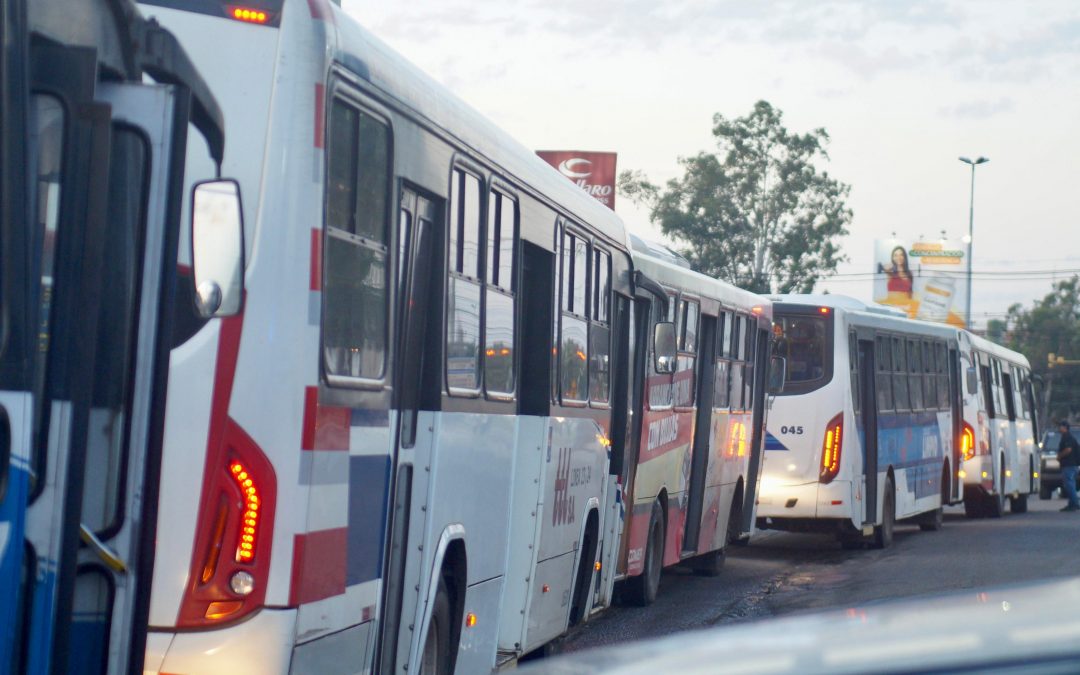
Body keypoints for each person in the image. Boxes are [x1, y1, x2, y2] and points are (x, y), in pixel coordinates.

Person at [1057, 421, 1080, 512]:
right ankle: (1072, 504)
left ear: (1065, 427)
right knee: (1070, 485)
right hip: (1071, 465)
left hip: (1069, 465)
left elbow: (1068, 449)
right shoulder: (1067, 436)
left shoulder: (1067, 437)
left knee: (1069, 485)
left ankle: (1074, 503)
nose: (1059, 428)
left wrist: (1059, 456)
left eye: (1060, 426)